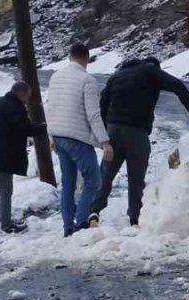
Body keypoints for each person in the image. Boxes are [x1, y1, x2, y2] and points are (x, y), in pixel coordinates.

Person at [92, 57, 189, 227]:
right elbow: (176, 84)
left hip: (113, 130)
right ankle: (134, 217)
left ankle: (94, 210)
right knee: (136, 176)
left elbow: (102, 105)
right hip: (136, 132)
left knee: (106, 173)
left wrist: (104, 135)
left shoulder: (116, 75)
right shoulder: (150, 70)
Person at [47, 43, 111, 237]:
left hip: (58, 136)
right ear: (86, 59)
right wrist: (105, 141)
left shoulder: (55, 77)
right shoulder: (87, 79)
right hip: (77, 138)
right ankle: (81, 221)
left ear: (69, 57)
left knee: (68, 183)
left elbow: (50, 106)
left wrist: (50, 135)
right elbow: (93, 114)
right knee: (94, 180)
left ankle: (67, 226)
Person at [0, 81, 42, 234]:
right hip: (3, 156)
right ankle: (6, 225)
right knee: (6, 191)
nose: (27, 100)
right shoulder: (15, 108)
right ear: (21, 93)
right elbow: (25, 129)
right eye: (27, 96)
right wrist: (41, 128)